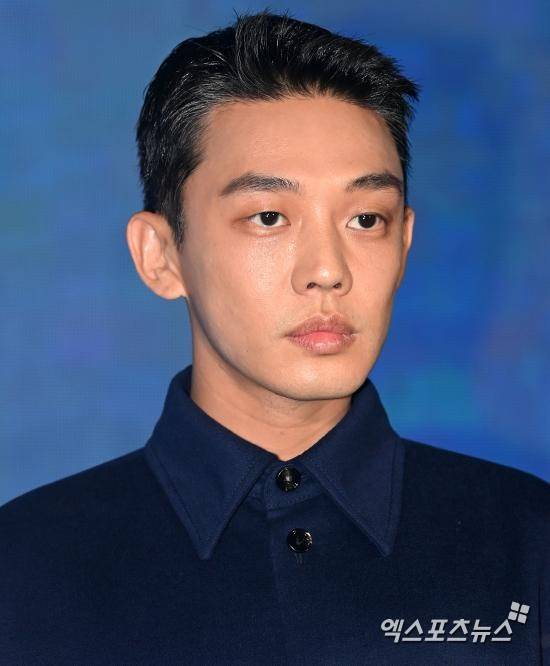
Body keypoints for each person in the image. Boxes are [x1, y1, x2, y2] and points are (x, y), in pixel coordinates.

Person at [1, 9, 548, 664]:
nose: (328, 271)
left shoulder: (527, 545)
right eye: (268, 217)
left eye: (365, 219)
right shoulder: (23, 568)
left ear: (405, 242)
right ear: (161, 256)